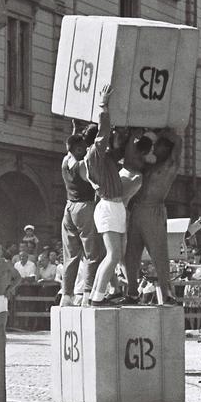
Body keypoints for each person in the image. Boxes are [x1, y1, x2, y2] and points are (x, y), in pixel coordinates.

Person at [83, 88, 142, 306]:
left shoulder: (102, 157)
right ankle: (97, 297)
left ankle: (95, 296)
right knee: (114, 255)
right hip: (108, 206)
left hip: (113, 206)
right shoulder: (95, 153)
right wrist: (103, 106)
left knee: (114, 255)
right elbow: (104, 131)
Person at [123, 129, 181, 305]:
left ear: (167, 149)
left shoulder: (171, 165)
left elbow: (178, 141)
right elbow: (129, 160)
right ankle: (132, 292)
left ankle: (167, 294)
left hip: (154, 210)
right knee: (131, 254)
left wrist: (161, 129)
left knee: (159, 254)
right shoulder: (148, 165)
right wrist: (135, 135)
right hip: (137, 210)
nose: (154, 148)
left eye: (159, 146)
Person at [60, 132, 103, 306]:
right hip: (84, 207)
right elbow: (95, 184)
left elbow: (71, 141)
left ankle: (66, 295)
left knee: (70, 255)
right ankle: (87, 294)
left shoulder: (65, 161)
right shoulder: (81, 165)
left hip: (68, 207)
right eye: (83, 147)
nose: (86, 149)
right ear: (77, 149)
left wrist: (76, 129)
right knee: (92, 253)